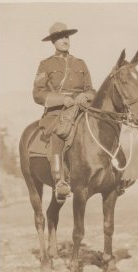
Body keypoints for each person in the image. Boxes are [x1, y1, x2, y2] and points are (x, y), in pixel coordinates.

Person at [33, 22, 96, 199]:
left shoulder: (80, 63)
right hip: (57, 112)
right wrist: (62, 99)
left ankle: (113, 174)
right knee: (59, 132)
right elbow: (38, 93)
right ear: (53, 41)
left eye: (67, 36)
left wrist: (85, 96)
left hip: (80, 109)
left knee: (102, 126)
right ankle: (60, 180)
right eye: (60, 37)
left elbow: (91, 89)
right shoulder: (46, 64)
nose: (65, 40)